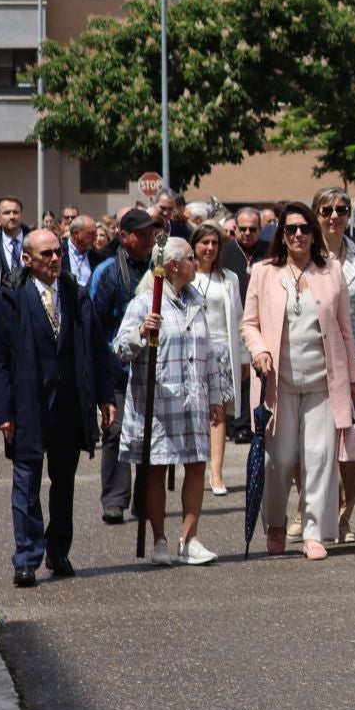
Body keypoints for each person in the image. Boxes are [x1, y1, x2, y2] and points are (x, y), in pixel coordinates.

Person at [0, 228, 103, 585]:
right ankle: (26, 557)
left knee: (63, 484)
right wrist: (3, 413)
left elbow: (94, 349)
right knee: (26, 484)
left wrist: (105, 398)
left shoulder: (74, 294)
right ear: (27, 259)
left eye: (58, 253)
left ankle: (57, 550)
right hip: (27, 408)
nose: (55, 259)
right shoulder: (10, 298)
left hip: (67, 408)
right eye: (46, 255)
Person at [241, 201, 355, 560]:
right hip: (279, 382)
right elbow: (249, 323)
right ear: (282, 235)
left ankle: (314, 530)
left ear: (314, 233)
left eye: (304, 228)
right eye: (291, 229)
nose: (298, 235)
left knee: (320, 457)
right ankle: (275, 523)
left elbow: (345, 329)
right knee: (281, 458)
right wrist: (258, 351)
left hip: (324, 381)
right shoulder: (263, 271)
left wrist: (352, 378)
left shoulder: (331, 270)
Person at [114, 238, 231, 566]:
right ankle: (160, 539)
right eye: (191, 257)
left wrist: (217, 395)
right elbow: (120, 348)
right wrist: (141, 330)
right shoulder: (144, 302)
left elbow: (208, 352)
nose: (197, 261)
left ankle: (190, 538)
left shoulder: (197, 299)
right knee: (155, 467)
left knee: (196, 465)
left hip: (193, 398)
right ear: (174, 265)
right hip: (160, 400)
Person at [88, 208, 161, 524]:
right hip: (116, 369)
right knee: (115, 431)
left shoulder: (160, 270)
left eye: (152, 233)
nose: (149, 239)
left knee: (151, 434)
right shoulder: (107, 272)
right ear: (125, 236)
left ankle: (146, 499)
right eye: (142, 233)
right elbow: (92, 323)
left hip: (151, 368)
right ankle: (115, 499)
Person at [316, 187, 355, 543]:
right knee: (312, 444)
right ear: (316, 214)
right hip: (313, 360)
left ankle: (343, 514)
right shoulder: (304, 255)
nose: (334, 215)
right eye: (327, 209)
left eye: (341, 209)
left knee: (351, 443)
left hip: (353, 364)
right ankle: (309, 509)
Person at [192, 222, 246, 496]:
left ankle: (216, 473)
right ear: (194, 245)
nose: (210, 248)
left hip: (223, 349)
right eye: (205, 243)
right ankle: (195, 471)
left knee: (218, 412)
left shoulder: (229, 278)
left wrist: (245, 356)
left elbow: (239, 318)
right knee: (195, 411)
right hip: (193, 350)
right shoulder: (186, 275)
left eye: (214, 243)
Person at [65, 215, 99, 289]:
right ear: (76, 234)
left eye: (95, 234)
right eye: (91, 234)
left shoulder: (95, 255)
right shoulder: (59, 253)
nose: (95, 238)